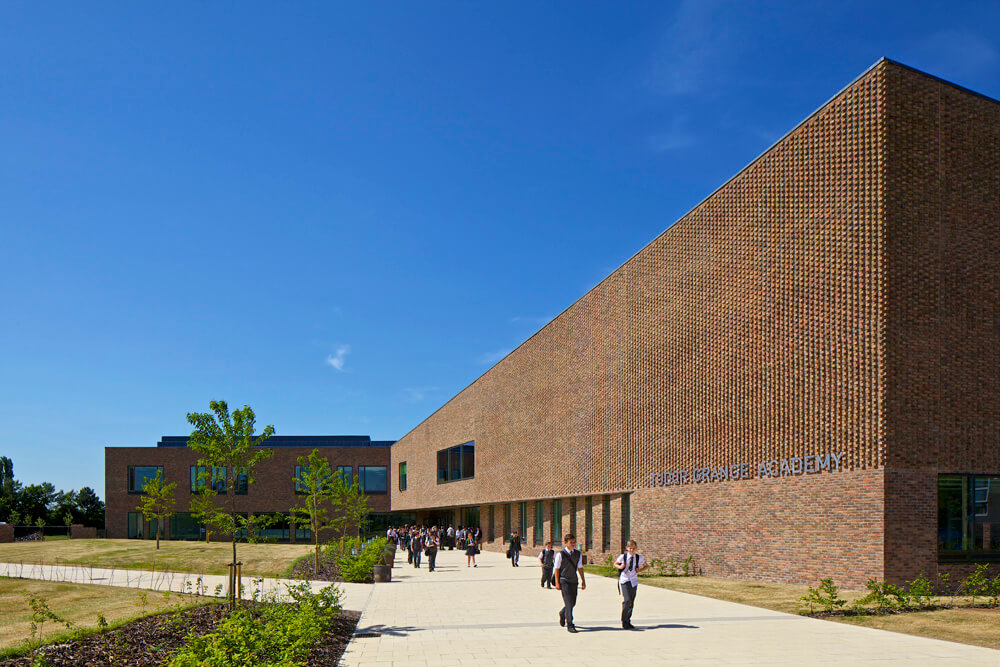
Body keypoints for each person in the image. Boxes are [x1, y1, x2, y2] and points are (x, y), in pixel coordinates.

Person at [553, 533, 585, 633]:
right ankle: (570, 624)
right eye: (571, 542)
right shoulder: (560, 554)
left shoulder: (578, 554)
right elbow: (556, 569)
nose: (573, 544)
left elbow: (580, 567)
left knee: (572, 602)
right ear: (565, 543)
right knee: (568, 601)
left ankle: (563, 613)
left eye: (574, 542)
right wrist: (557, 583)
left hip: (573, 580)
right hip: (564, 580)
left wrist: (583, 580)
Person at [614, 539, 648, 629]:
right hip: (624, 580)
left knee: (631, 602)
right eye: (630, 548)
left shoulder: (638, 558)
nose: (631, 550)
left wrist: (640, 570)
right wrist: (620, 566)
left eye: (633, 548)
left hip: (633, 581)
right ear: (627, 548)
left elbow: (646, 566)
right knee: (627, 600)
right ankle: (624, 620)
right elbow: (615, 564)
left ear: (636, 548)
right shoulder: (623, 557)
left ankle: (628, 621)